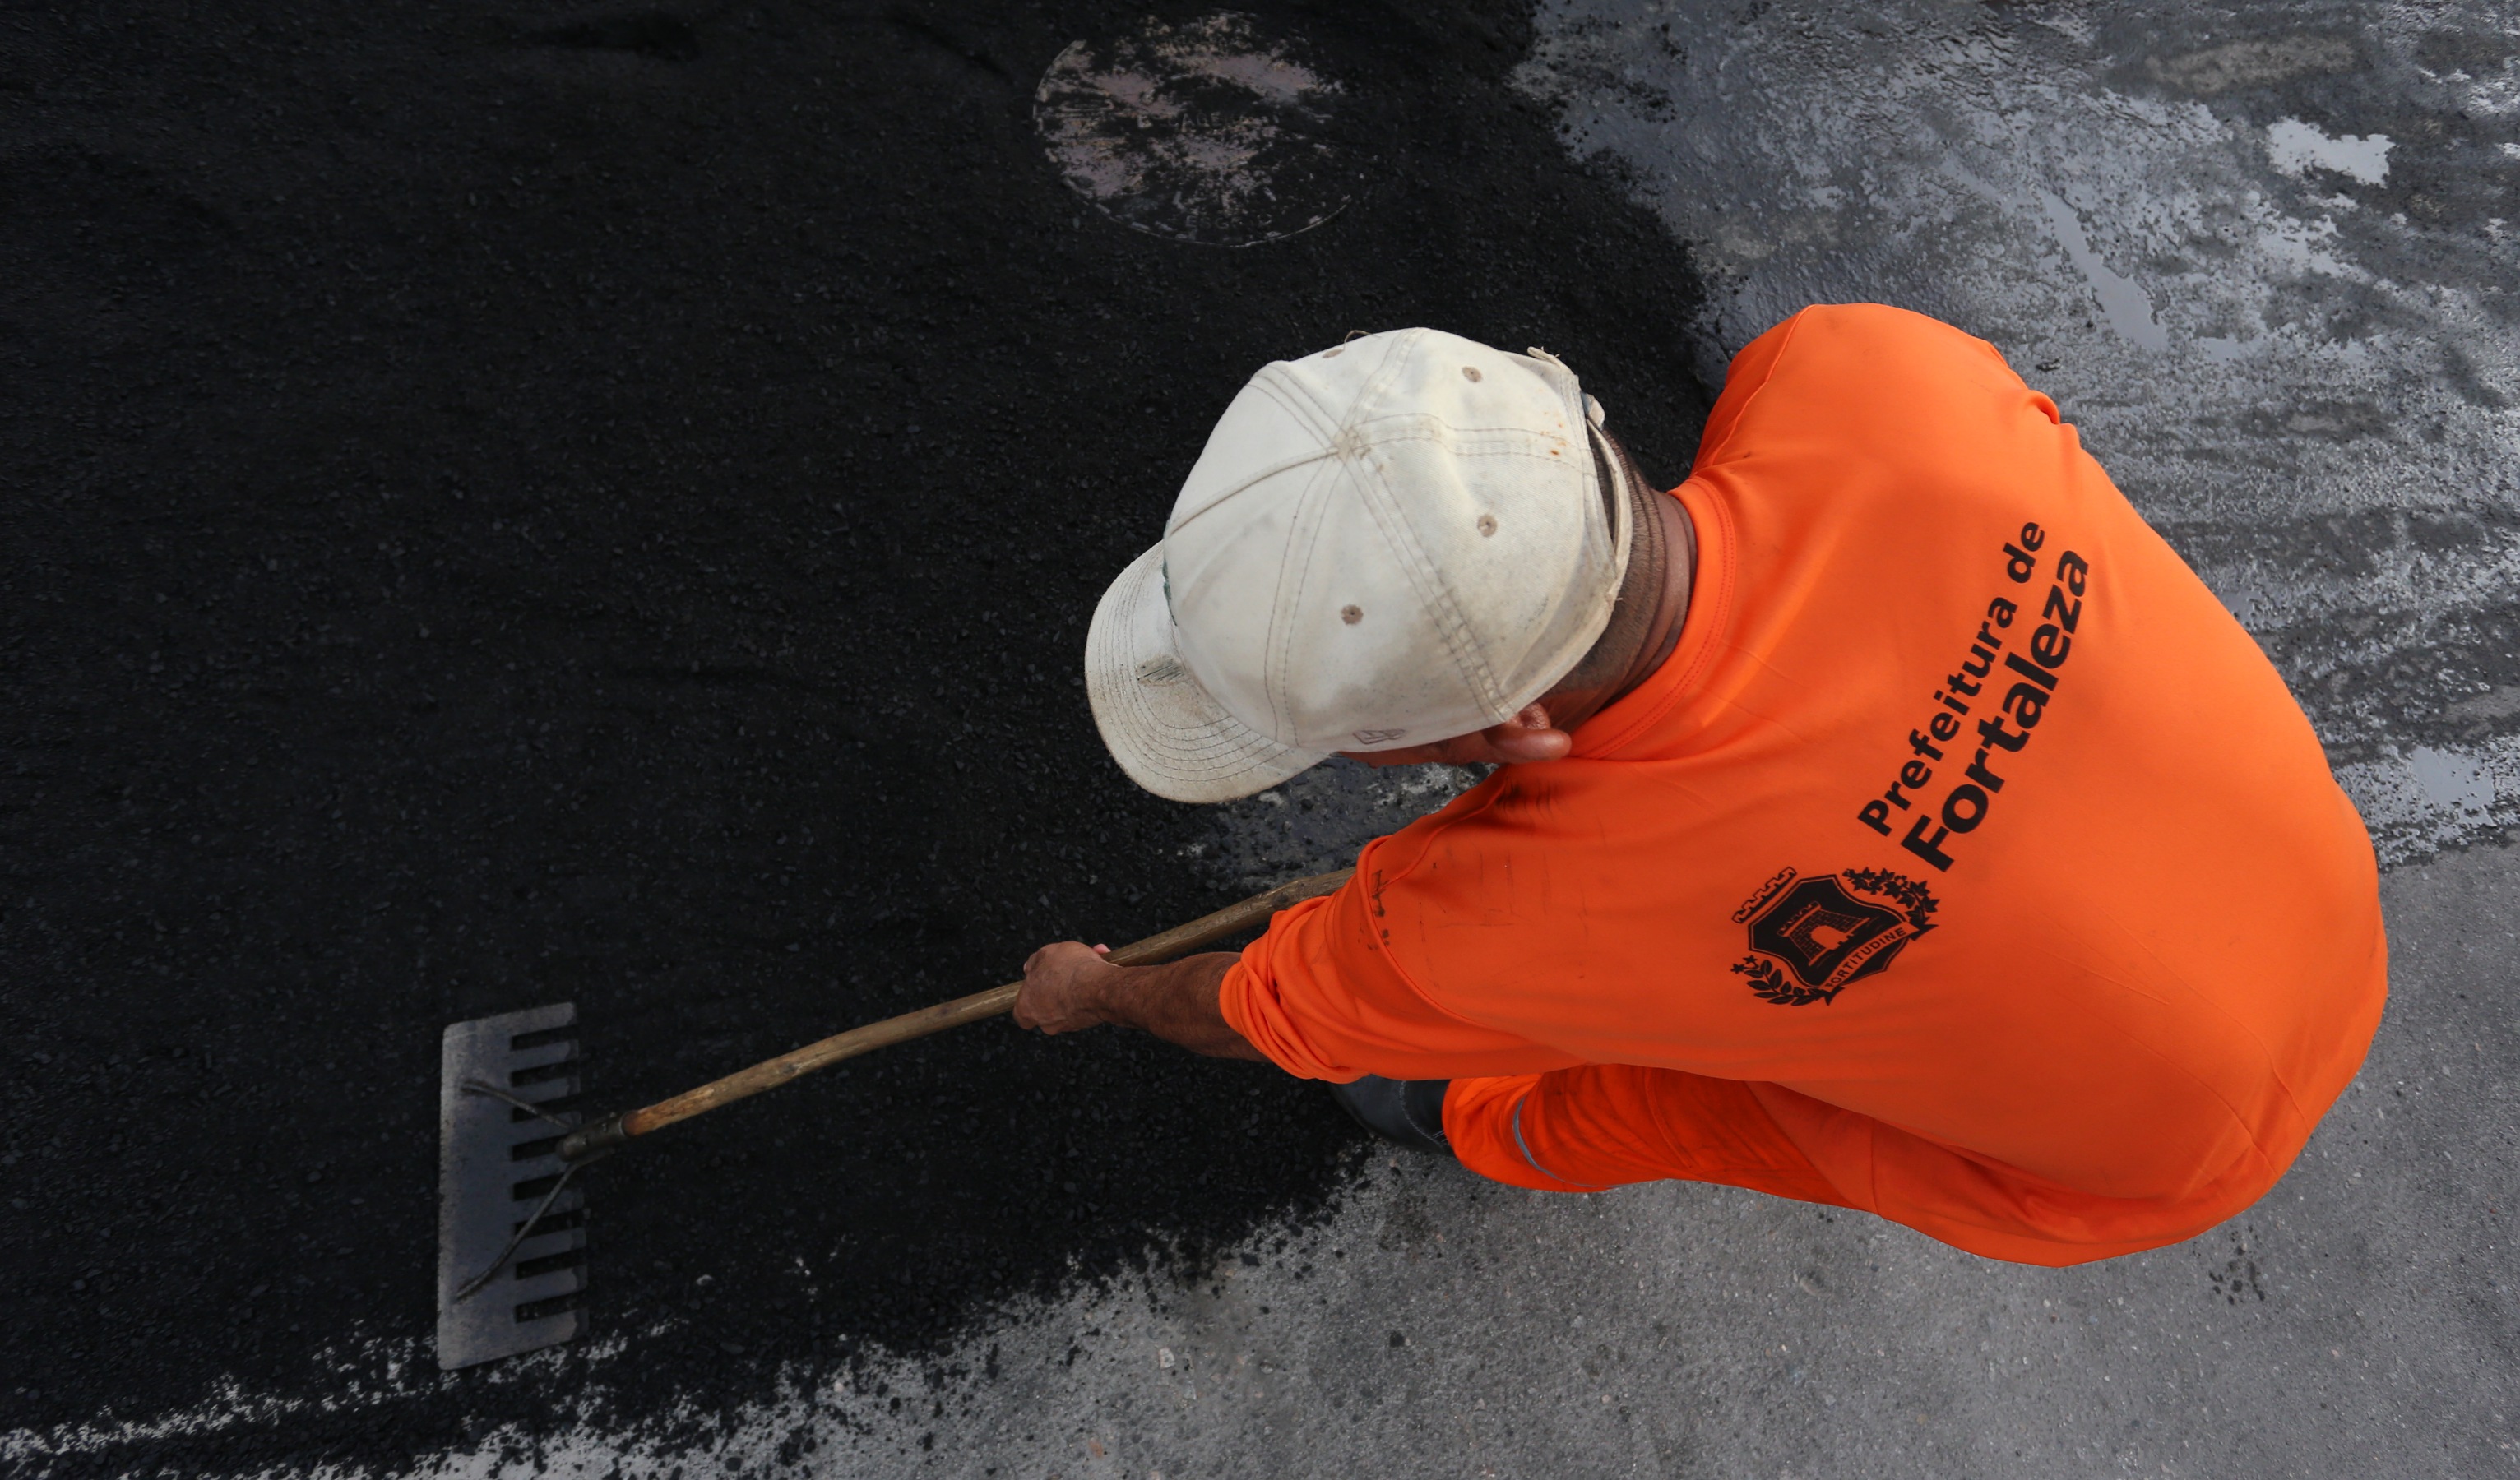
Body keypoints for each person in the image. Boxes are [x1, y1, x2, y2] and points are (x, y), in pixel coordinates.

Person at [1014, 308, 2386, 1265]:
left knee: (1625, 1098)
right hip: (2325, 891)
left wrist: (1097, 992)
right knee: (1730, 968)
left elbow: (1255, 1013)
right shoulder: (1859, 369)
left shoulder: (1482, 921)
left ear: (1510, 726)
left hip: (2149, 1162)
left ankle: (1466, 1116)